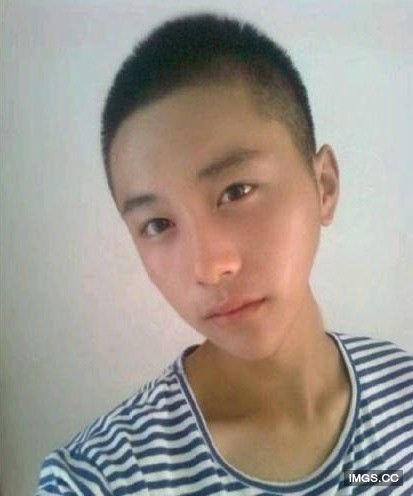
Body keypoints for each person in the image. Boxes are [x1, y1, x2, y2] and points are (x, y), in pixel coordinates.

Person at [36, 13, 413, 495]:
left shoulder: (403, 390)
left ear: (324, 186)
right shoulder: (101, 478)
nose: (209, 268)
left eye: (236, 191)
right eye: (158, 224)